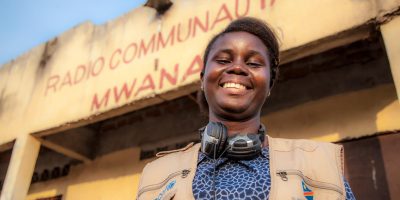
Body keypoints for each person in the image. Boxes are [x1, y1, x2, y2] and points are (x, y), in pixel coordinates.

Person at [137, 17, 356, 200]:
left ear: (269, 85)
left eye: (253, 63)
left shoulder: (322, 164)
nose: (238, 68)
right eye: (223, 60)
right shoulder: (155, 175)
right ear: (203, 80)